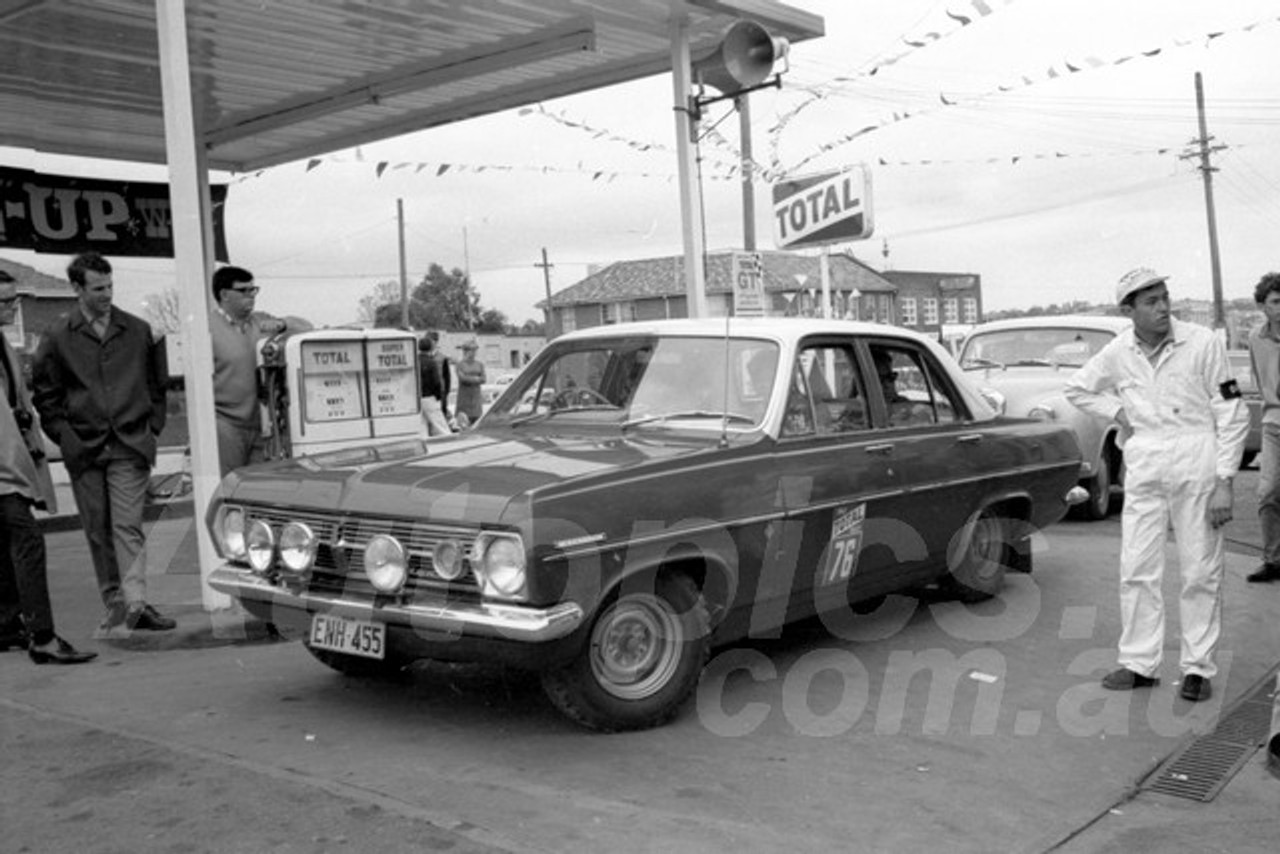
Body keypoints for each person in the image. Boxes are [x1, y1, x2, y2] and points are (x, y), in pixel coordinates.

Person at [1065, 267, 1248, 702]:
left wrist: (1225, 480)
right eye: (1150, 302)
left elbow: (1232, 411)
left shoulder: (1203, 342)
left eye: (1165, 297)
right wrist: (1119, 413)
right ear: (1128, 311)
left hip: (1196, 458)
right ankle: (1139, 662)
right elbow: (1078, 389)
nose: (1163, 307)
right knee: (1137, 567)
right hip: (1145, 462)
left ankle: (1197, 668)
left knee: (1200, 569)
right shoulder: (1117, 352)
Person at [31, 252, 175, 635]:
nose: (107, 294)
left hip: (130, 444)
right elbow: (45, 393)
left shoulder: (138, 330)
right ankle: (115, 603)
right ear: (77, 289)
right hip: (86, 448)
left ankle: (137, 604)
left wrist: (152, 427)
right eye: (98, 289)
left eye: (110, 286)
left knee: (127, 526)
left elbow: (158, 385)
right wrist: (66, 436)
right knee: (98, 530)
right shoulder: (58, 335)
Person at [0, 271, 97, 664]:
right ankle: (42, 637)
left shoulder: (3, 341)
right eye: (4, 302)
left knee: (5, 548)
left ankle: (8, 625)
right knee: (27, 544)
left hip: (11, 464)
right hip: (5, 471)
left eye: (12, 300)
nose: (11, 308)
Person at [210, 265, 312, 475]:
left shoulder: (262, 321)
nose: (251, 296)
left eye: (253, 290)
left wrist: (282, 324)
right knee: (228, 485)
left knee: (260, 486)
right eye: (244, 291)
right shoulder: (207, 327)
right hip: (226, 425)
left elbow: (306, 327)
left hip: (265, 424)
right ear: (224, 294)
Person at [1246, 271, 1280, 583]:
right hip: (1273, 425)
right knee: (1268, 491)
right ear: (1263, 306)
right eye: (1276, 302)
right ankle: (1272, 560)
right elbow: (1258, 378)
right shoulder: (1255, 339)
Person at [417, 334, 451, 436]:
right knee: (440, 424)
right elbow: (436, 381)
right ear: (431, 348)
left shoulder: (415, 361)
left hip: (417, 398)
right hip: (429, 396)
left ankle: (425, 441)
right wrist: (439, 396)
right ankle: (449, 441)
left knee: (422, 424)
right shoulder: (431, 362)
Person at [454, 339, 486, 426]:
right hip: (464, 397)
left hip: (476, 397)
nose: (474, 353)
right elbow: (462, 379)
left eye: (475, 350)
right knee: (463, 422)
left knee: (477, 422)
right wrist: (476, 379)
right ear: (466, 351)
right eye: (472, 350)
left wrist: (471, 378)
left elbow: (483, 379)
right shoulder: (460, 364)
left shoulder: (480, 364)